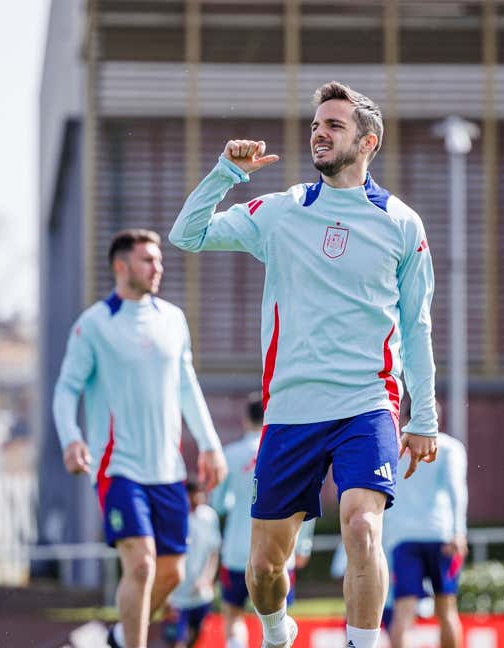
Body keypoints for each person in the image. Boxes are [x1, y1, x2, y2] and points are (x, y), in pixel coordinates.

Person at [170, 80, 439, 648]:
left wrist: (424, 417)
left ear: (368, 141)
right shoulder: (281, 211)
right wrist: (226, 172)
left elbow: (416, 327)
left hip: (368, 404)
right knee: (265, 569)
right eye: (316, 125)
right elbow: (187, 235)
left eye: (334, 125)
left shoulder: (402, 225)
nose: (319, 133)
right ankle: (276, 629)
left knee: (363, 526)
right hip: (291, 410)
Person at [53, 229, 227, 648]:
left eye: (159, 259)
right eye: (148, 259)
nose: (158, 266)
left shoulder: (173, 319)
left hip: (168, 471)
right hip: (118, 468)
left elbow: (187, 385)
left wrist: (209, 442)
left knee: (172, 574)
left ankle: (117, 637)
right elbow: (66, 390)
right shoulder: (94, 324)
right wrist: (71, 438)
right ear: (121, 265)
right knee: (143, 565)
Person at [211, 392, 316, 648]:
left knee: (233, 614)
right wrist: (303, 544)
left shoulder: (232, 455)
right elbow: (305, 500)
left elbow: (217, 505)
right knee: (277, 620)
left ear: (246, 420)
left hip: (237, 549)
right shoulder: (287, 453)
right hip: (281, 550)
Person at [384, 413, 467, 648]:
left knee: (403, 612)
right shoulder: (450, 447)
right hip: (441, 536)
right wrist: (459, 532)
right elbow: (457, 491)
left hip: (404, 539)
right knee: (447, 610)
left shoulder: (393, 447)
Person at [163, 482, 222, 648]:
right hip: (176, 597)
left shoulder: (209, 517)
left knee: (195, 638)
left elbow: (213, 552)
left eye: (198, 494)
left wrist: (207, 578)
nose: (195, 499)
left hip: (200, 595)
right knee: (176, 641)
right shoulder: (173, 517)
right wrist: (165, 594)